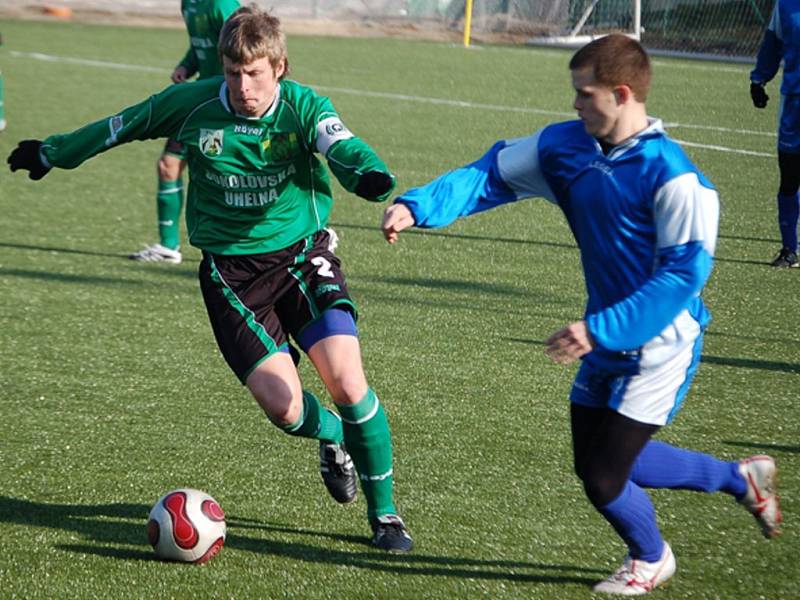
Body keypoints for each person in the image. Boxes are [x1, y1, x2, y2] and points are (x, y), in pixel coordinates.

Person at [382, 34, 780, 593]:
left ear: (621, 94)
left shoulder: (677, 179)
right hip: (601, 335)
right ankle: (740, 480)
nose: (575, 105)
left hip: (659, 345)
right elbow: (491, 173)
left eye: (584, 94)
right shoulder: (565, 148)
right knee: (605, 461)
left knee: (603, 475)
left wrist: (601, 328)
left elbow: (681, 278)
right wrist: (417, 206)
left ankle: (651, 557)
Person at [8, 4, 413, 553]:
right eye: (232, 73)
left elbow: (340, 144)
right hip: (232, 275)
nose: (243, 87)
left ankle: (385, 516)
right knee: (286, 410)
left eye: (255, 74)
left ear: (279, 67)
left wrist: (366, 173)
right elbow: (121, 125)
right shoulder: (193, 103)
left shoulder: (302, 106)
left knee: (346, 381)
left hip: (302, 257)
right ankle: (337, 437)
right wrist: (53, 153)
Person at [129, 0, 241, 264]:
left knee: (231, 174)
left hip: (222, 106)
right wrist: (186, 66)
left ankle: (307, 232)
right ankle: (168, 246)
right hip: (198, 103)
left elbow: (242, 48)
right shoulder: (189, 4)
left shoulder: (222, 5)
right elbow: (200, 44)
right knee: (169, 166)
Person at [750, 0, 800, 268]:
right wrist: (759, 79)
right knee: (790, 176)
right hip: (794, 104)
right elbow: (773, 43)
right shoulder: (785, 6)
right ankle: (790, 249)